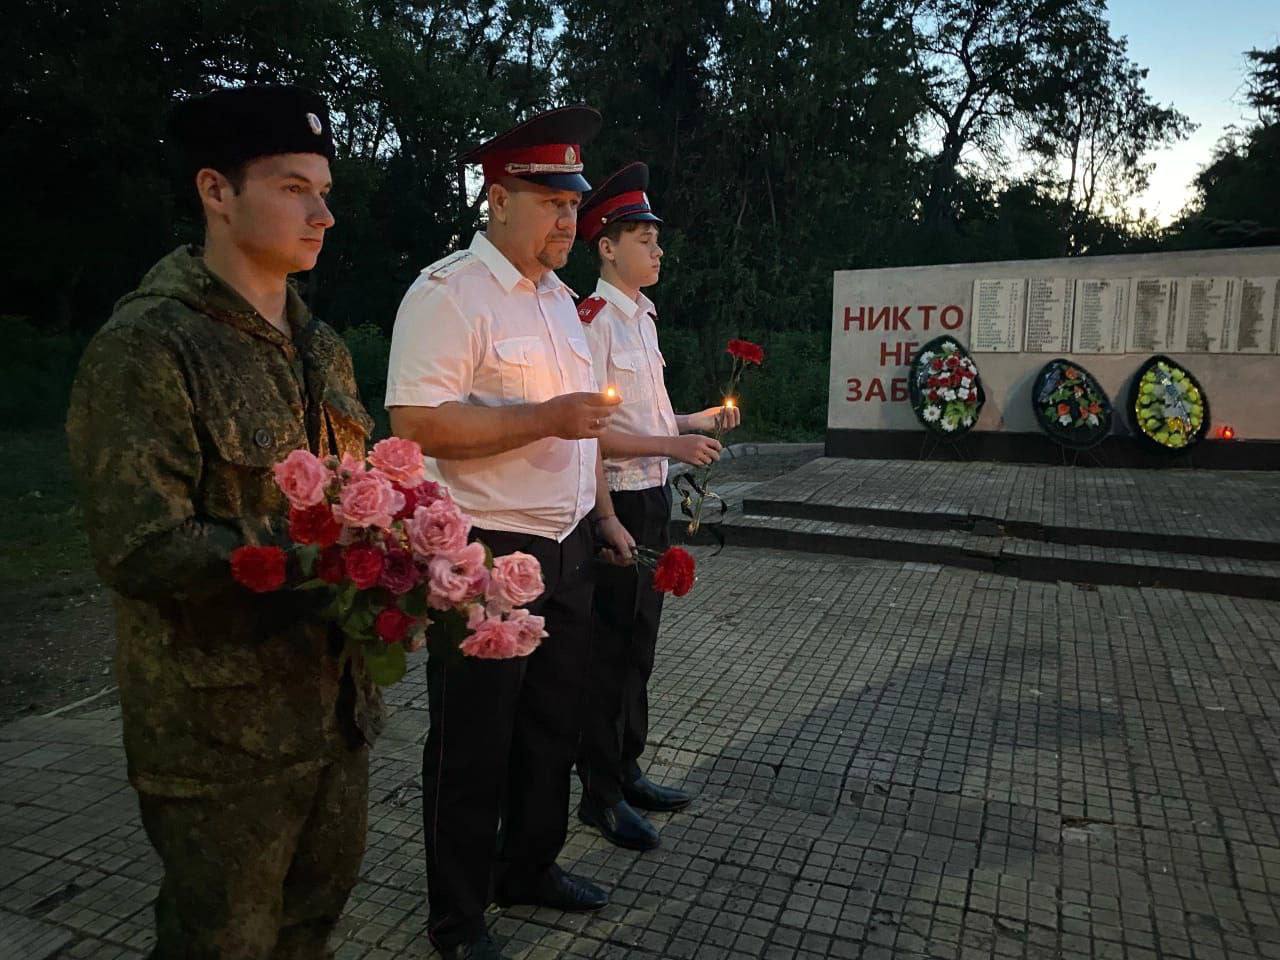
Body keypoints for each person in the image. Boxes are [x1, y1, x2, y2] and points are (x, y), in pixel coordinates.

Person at [65, 85, 382, 959]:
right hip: (220, 737)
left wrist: (403, 556)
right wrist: (323, 557)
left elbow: (360, 488)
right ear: (216, 190)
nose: (322, 215)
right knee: (222, 943)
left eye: (325, 191)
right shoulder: (150, 346)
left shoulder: (322, 348)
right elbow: (141, 547)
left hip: (336, 715)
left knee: (309, 929)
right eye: (292, 187)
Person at [385, 105, 634, 960]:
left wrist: (598, 516)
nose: (569, 217)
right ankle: (456, 921)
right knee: (471, 748)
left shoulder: (564, 303)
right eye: (551, 201)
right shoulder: (450, 293)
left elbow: (585, 426)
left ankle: (528, 867)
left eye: (574, 203)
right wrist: (545, 419)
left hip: (564, 550)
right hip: (486, 555)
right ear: (497, 198)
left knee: (550, 730)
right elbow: (415, 421)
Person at [574, 162, 741, 850]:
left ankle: (628, 767)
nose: (658, 249)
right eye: (644, 238)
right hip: (611, 498)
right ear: (607, 246)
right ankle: (601, 795)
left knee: (639, 646)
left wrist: (697, 420)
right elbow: (592, 428)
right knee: (608, 652)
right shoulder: (593, 322)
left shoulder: (642, 317)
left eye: (657, 238)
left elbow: (653, 410)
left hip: (651, 497)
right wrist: (674, 445)